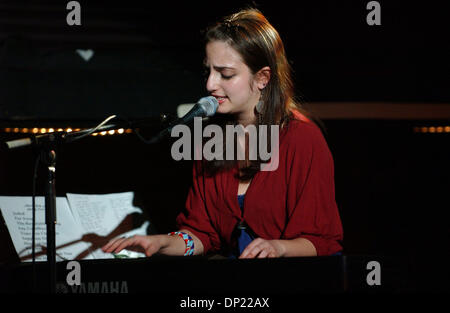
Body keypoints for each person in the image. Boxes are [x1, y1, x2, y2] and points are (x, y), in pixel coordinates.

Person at [102, 8, 343, 259]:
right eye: (209, 71)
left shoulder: (303, 140)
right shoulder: (211, 140)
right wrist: (161, 242)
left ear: (262, 78)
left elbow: (321, 241)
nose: (210, 85)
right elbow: (202, 234)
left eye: (225, 74)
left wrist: (279, 247)